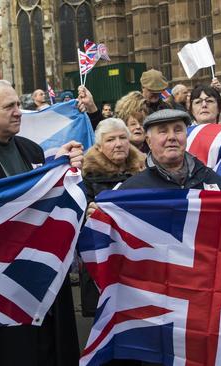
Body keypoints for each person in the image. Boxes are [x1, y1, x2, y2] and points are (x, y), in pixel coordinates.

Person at [0, 79, 83, 366]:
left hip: (44, 274)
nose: (19, 111)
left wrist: (62, 168)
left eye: (19, 104)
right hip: (1, 283)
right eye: (10, 106)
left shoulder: (31, 150)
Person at [79, 118, 145, 317]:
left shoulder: (145, 172)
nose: (118, 144)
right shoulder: (84, 177)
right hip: (103, 258)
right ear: (98, 147)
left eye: (123, 138)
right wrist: (87, 215)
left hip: (138, 258)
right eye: (110, 140)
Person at [118, 109, 221, 191]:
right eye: (163, 131)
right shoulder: (132, 189)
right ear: (149, 141)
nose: (172, 137)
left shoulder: (211, 180)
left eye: (178, 130)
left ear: (186, 136)